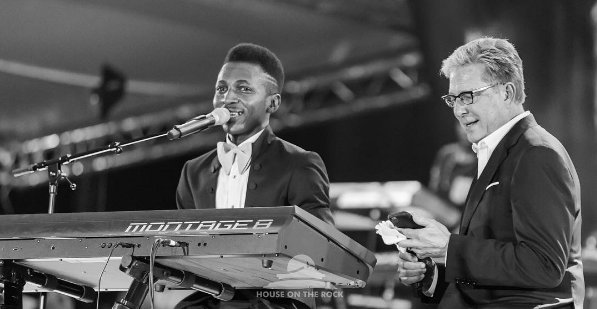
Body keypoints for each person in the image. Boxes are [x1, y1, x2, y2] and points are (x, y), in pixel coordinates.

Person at [396, 37, 584, 308]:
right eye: (453, 99)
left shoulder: (537, 154)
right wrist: (432, 274)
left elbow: (543, 265)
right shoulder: (494, 151)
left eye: (468, 96)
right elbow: (492, 266)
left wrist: (449, 248)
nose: (459, 110)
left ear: (507, 93)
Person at [174, 43, 334, 309]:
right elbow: (185, 252)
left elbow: (321, 249)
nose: (227, 98)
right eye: (221, 88)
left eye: (243, 88)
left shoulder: (299, 164)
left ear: (273, 102)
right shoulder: (194, 171)